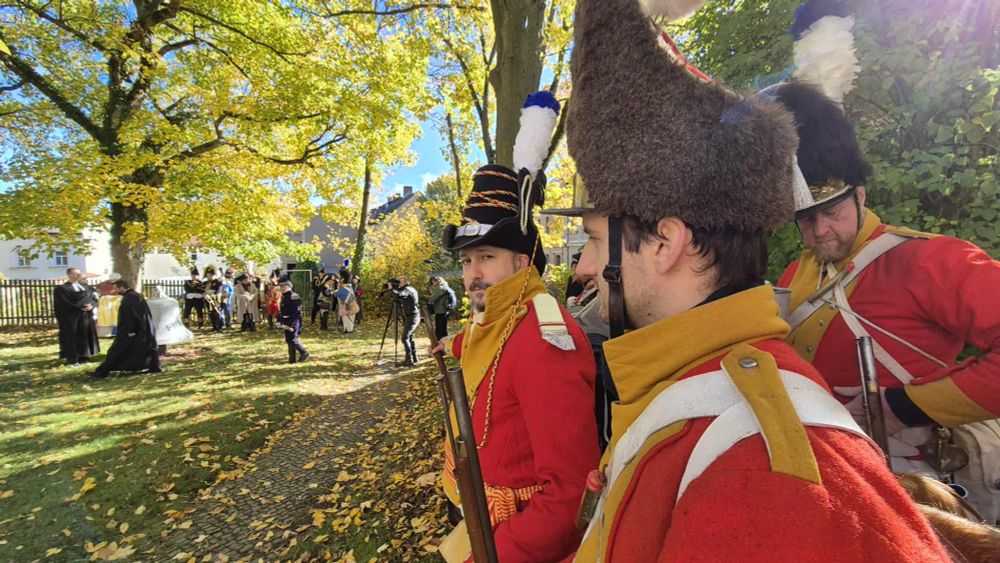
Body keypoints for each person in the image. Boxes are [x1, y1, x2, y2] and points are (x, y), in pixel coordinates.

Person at [562, 0, 950, 560]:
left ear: (667, 242)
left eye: (597, 241)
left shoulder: (760, 465)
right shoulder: (696, 402)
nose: (585, 268)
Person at [773, 81, 1000, 523]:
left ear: (860, 196)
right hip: (827, 478)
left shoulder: (930, 259)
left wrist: (905, 406)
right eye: (806, 218)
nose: (819, 232)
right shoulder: (796, 274)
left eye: (832, 212)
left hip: (916, 486)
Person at [431, 162, 600, 562]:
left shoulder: (544, 337)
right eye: (468, 261)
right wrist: (452, 345)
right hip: (475, 516)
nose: (473, 274)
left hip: (511, 541)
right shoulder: (493, 318)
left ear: (522, 264)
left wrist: (497, 556)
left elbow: (570, 493)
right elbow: (482, 344)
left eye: (486, 257)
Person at [90, 279, 160, 378]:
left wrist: (132, 330)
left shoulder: (130, 298)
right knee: (145, 348)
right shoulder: (134, 296)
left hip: (131, 330)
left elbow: (131, 316)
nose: (115, 291)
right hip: (140, 329)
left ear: (122, 287)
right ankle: (153, 367)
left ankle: (102, 371)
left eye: (116, 288)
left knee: (117, 350)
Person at [53, 267, 99, 365]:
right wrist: (80, 308)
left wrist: (91, 305)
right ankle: (73, 359)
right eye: (76, 274)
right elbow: (63, 303)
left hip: (86, 316)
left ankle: (85, 356)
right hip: (72, 317)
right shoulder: (62, 289)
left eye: (79, 274)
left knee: (85, 336)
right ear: (69, 275)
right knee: (72, 337)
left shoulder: (86, 287)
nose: (78, 276)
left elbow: (94, 298)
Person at [277, 278, 309, 364]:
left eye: (283, 286)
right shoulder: (285, 296)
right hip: (286, 320)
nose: (281, 288)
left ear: (289, 286)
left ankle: (303, 352)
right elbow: (282, 310)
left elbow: (295, 312)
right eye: (280, 286)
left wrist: (291, 324)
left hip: (293, 320)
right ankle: (292, 359)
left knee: (292, 339)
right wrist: (280, 320)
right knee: (289, 339)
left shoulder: (293, 296)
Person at [391, 276, 420, 365]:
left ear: (406, 282)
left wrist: (392, 289)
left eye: (400, 282)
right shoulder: (410, 289)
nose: (399, 283)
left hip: (413, 316)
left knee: (405, 338)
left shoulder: (407, 290)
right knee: (409, 337)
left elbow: (399, 295)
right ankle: (414, 358)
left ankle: (409, 359)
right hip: (412, 315)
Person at [203, 268, 224, 332]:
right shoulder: (207, 283)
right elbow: (204, 290)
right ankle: (214, 326)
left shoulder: (218, 282)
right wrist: (206, 294)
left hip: (216, 299)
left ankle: (219, 327)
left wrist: (209, 293)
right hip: (209, 299)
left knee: (217, 313)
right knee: (211, 313)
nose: (208, 276)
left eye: (209, 275)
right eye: (207, 275)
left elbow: (218, 291)